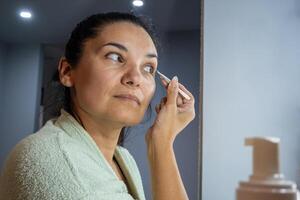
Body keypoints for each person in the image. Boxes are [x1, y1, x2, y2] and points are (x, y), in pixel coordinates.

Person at [0, 12, 195, 200]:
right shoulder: (57, 165)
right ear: (67, 71)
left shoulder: (122, 158)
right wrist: (161, 147)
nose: (135, 78)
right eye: (115, 57)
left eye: (148, 68)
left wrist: (160, 143)